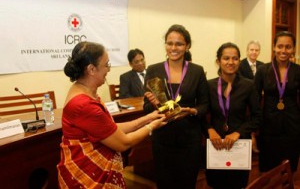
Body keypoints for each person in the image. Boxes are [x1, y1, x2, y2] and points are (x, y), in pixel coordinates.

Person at [57, 41, 167, 188]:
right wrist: (152, 126)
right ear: (91, 69)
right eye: (106, 65)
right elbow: (123, 142)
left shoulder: (84, 91)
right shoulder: (84, 104)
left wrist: (148, 117)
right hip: (88, 176)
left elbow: (110, 128)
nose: (108, 69)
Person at [143, 24, 209, 189]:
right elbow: (146, 107)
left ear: (187, 46)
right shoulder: (153, 70)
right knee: (164, 182)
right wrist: (154, 104)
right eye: (169, 43)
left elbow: (204, 104)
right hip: (162, 136)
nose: (173, 48)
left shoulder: (197, 71)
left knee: (187, 182)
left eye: (179, 44)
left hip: (189, 137)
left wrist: (192, 111)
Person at [205, 42, 261, 189]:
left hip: (239, 143)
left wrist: (238, 132)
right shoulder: (208, 85)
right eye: (226, 58)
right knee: (216, 183)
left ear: (239, 61)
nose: (231, 62)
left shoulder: (249, 85)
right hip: (216, 143)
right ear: (218, 61)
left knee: (237, 184)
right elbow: (201, 115)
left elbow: (257, 117)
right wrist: (209, 130)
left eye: (235, 58)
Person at [254, 31, 300, 177]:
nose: (284, 51)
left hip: (292, 125)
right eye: (280, 46)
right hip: (268, 125)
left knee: (289, 167)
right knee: (267, 168)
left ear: (294, 49)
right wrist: (254, 131)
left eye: (288, 47)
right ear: (274, 47)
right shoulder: (262, 70)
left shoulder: (298, 70)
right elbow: (255, 100)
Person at [239, 40, 264, 153]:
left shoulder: (262, 65)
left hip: (258, 99)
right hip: (244, 99)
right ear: (247, 51)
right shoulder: (240, 64)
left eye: (256, 50)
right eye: (251, 50)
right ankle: (250, 143)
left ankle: (255, 141)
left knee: (257, 119)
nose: (254, 52)